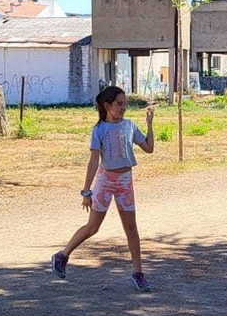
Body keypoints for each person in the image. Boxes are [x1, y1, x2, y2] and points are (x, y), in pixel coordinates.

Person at [54, 85, 156, 291]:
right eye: (119, 104)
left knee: (131, 229)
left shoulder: (129, 126)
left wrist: (149, 125)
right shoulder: (99, 130)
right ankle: (62, 255)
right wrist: (86, 191)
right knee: (93, 227)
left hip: (125, 181)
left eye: (125, 104)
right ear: (107, 105)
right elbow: (93, 162)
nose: (123, 108)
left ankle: (138, 273)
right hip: (105, 180)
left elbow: (149, 148)